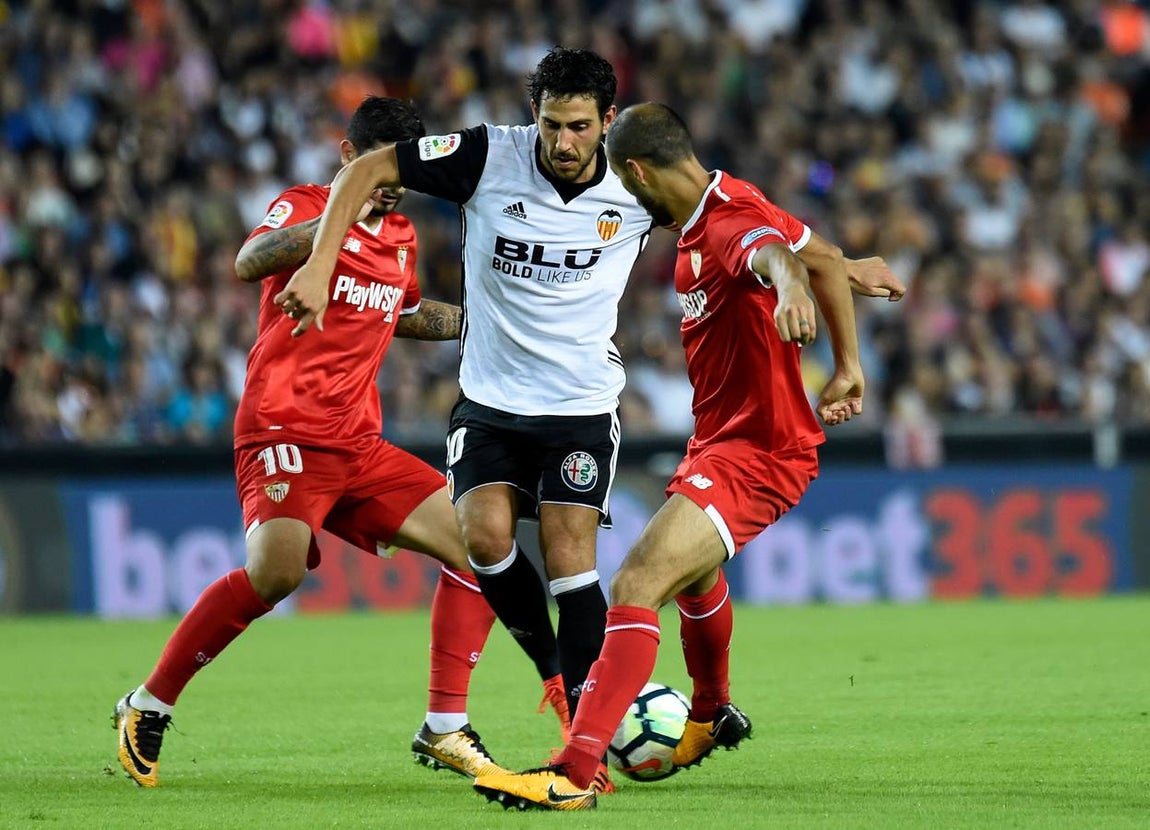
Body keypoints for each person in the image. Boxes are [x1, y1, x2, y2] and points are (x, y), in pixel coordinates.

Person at [275, 49, 904, 796]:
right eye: (550, 124)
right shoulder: (485, 156)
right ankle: (631, 692)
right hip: (490, 397)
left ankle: (582, 736)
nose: (563, 142)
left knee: (579, 560)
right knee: (484, 540)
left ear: (608, 126)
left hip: (580, 406)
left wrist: (826, 269)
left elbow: (759, 236)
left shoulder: (640, 184)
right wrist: (318, 262)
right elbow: (367, 169)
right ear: (532, 114)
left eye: (579, 127)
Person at [111, 96, 569, 789]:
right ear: (349, 158)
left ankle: (444, 726)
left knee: (481, 546)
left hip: (358, 442)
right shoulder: (302, 205)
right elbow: (249, 259)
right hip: (284, 426)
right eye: (380, 176)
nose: (391, 191)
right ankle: (147, 704)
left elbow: (405, 314)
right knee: (278, 575)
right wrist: (334, 227)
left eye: (401, 180)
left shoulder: (403, 237)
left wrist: (486, 323)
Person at [472, 101, 867, 811]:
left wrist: (791, 285)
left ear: (637, 170)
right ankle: (712, 712)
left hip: (759, 450)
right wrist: (848, 362)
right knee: (694, 577)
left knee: (633, 587)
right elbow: (826, 255)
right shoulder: (720, 199)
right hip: (719, 437)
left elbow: (775, 255)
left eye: (622, 182)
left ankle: (574, 769)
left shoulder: (725, 226)